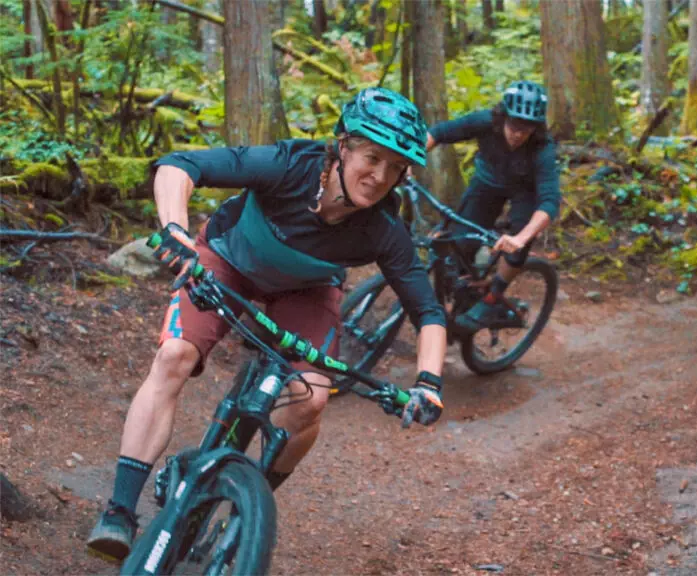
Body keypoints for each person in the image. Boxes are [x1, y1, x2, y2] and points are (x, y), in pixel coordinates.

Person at [86, 87, 448, 561]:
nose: (379, 177)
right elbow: (180, 165)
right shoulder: (288, 165)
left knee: (310, 399)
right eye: (371, 157)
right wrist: (175, 230)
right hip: (228, 258)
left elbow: (428, 311)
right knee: (174, 356)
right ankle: (119, 510)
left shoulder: (384, 229)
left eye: (395, 167)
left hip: (306, 293)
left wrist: (428, 382)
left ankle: (248, 507)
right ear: (343, 146)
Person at [425, 80, 561, 332]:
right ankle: (462, 294)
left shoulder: (543, 148)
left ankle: (493, 297)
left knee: (517, 243)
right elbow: (439, 132)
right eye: (514, 125)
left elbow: (550, 201)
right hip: (487, 183)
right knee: (459, 243)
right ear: (503, 117)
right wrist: (404, 162)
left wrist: (521, 238)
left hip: (524, 192)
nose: (518, 134)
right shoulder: (486, 122)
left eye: (527, 128)